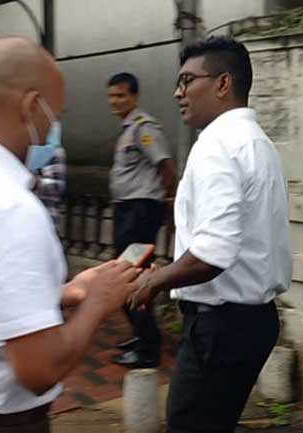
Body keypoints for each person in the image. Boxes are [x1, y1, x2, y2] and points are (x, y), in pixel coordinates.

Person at [0, 38, 140, 433]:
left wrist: (66, 292)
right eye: (56, 116)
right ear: (32, 105)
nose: (55, 130)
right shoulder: (10, 208)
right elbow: (40, 370)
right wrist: (98, 304)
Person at [130, 36, 292, 433]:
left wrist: (154, 282)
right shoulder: (258, 143)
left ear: (222, 84)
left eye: (187, 80)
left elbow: (213, 253)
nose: (178, 92)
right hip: (252, 321)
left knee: (189, 423)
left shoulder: (218, 145)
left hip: (221, 326)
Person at [107, 72, 177, 368]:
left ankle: (148, 349)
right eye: (111, 96)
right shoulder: (128, 129)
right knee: (125, 274)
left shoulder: (143, 128)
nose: (114, 101)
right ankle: (141, 335)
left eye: (121, 95)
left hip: (140, 212)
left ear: (134, 97)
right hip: (128, 211)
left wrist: (170, 204)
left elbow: (166, 166)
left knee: (132, 276)